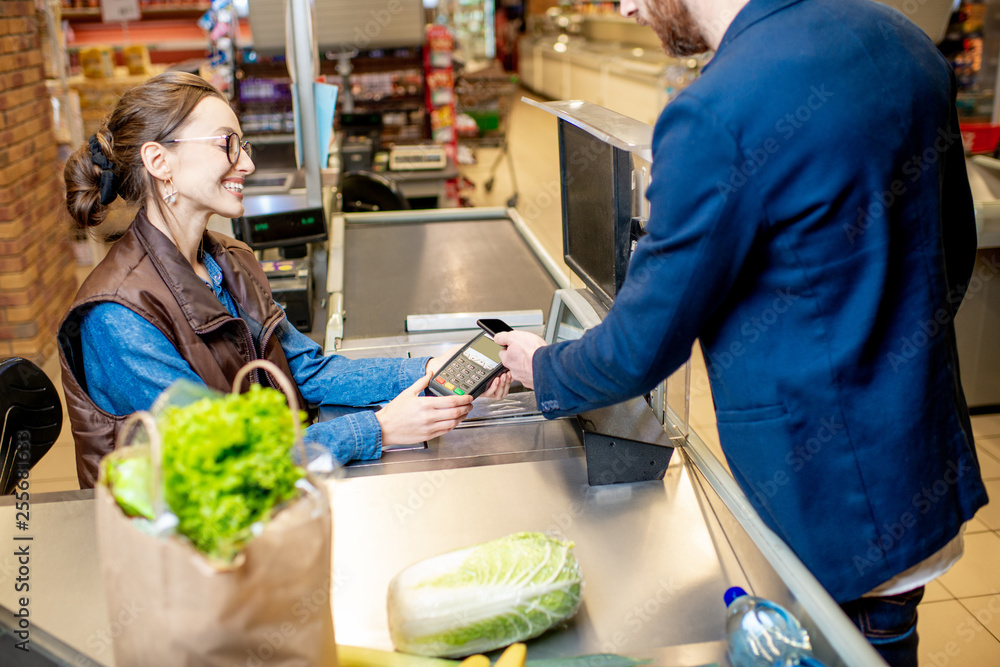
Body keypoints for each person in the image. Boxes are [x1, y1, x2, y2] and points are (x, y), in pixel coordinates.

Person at [495, 0, 988, 664]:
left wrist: (544, 366)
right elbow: (953, 253)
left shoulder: (717, 113)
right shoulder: (903, 41)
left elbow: (640, 347)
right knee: (887, 631)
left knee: (852, 639)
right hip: (920, 463)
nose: (627, 7)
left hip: (832, 505)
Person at [59, 72, 510, 489]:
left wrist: (429, 368)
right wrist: (378, 429)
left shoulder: (229, 261)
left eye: (244, 145)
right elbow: (228, 460)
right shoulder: (117, 315)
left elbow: (305, 370)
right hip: (175, 551)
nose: (247, 164)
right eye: (226, 144)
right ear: (160, 161)